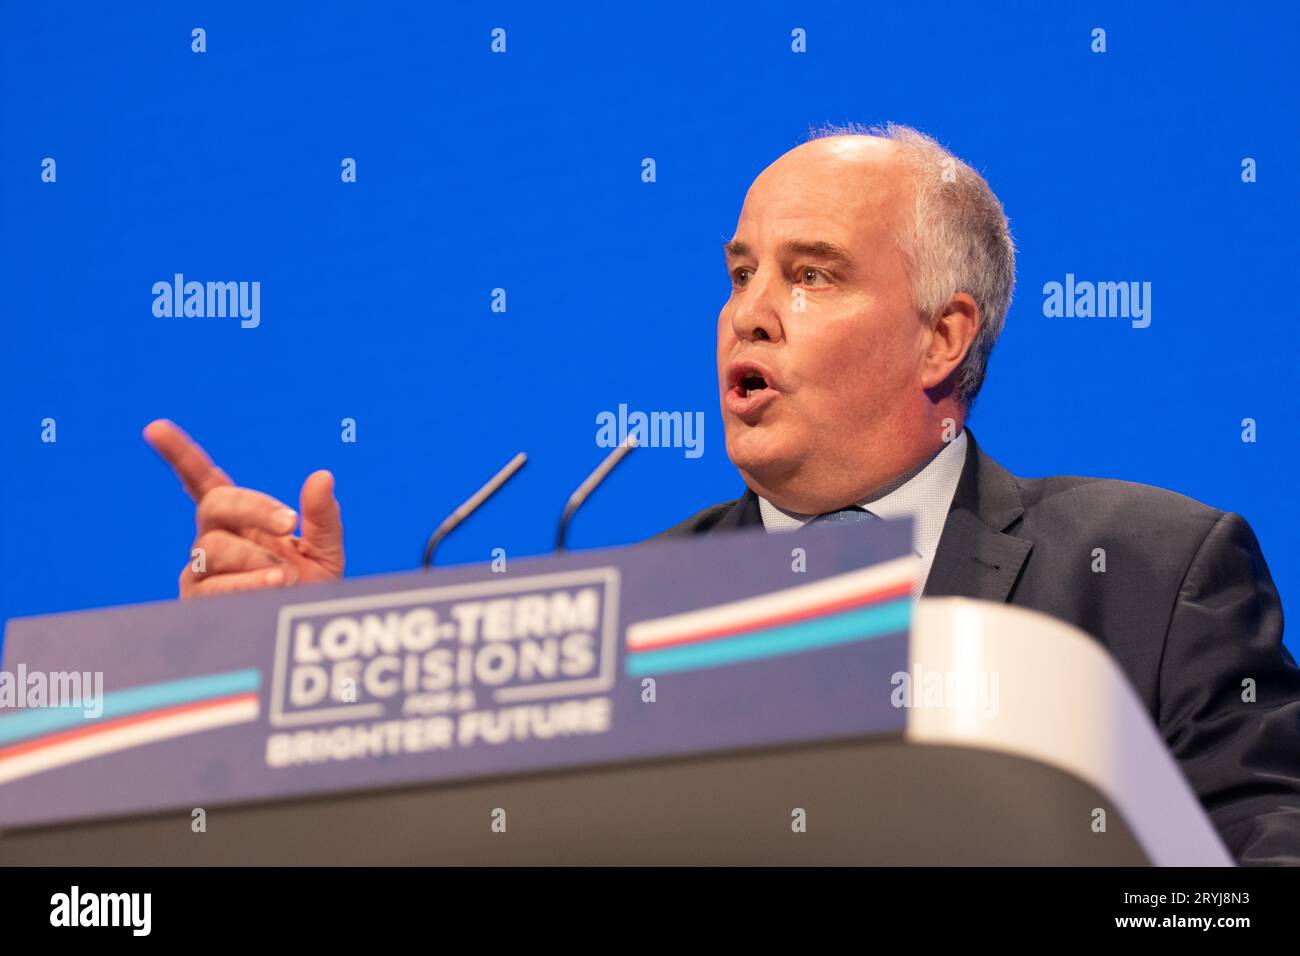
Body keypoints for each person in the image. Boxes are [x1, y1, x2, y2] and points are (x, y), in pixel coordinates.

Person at [145, 123, 1300, 864]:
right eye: (740, 272)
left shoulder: (1153, 572)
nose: (748, 310)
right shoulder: (624, 607)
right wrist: (278, 696)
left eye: (811, 275)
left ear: (942, 336)